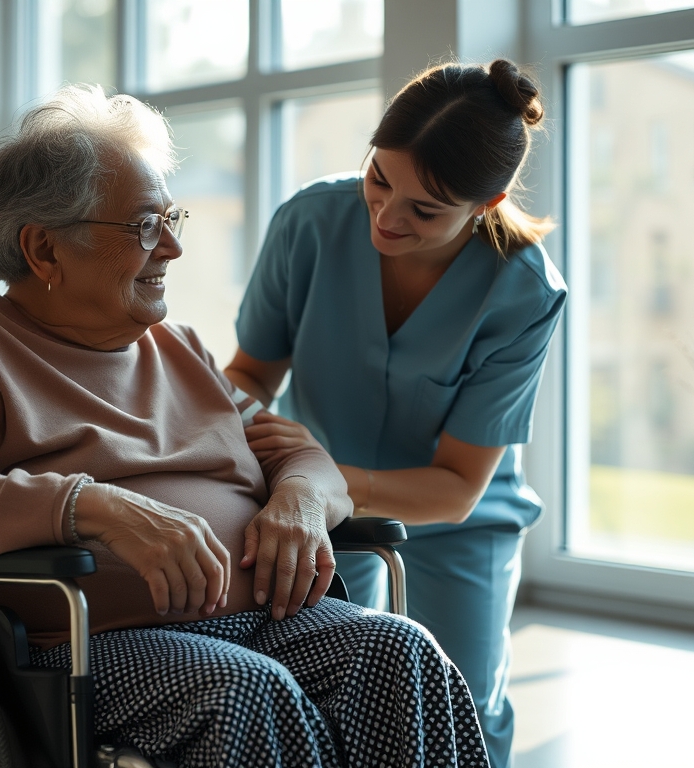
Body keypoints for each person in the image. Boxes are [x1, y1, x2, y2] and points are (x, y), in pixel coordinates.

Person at [0, 85, 487, 768]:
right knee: (246, 692)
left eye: (170, 218)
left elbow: (300, 455)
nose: (174, 248)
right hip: (87, 649)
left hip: (264, 622)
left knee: (401, 651)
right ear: (44, 249)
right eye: (146, 226)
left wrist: (301, 501)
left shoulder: (179, 350)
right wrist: (95, 508)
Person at [225, 60, 568, 768]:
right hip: (317, 507)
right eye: (379, 178)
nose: (386, 216)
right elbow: (251, 375)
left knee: (463, 709)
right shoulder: (308, 223)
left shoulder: (525, 292)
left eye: (425, 209)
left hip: (456, 521)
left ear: (486, 203)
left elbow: (458, 485)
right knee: (328, 697)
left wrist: (322, 479)